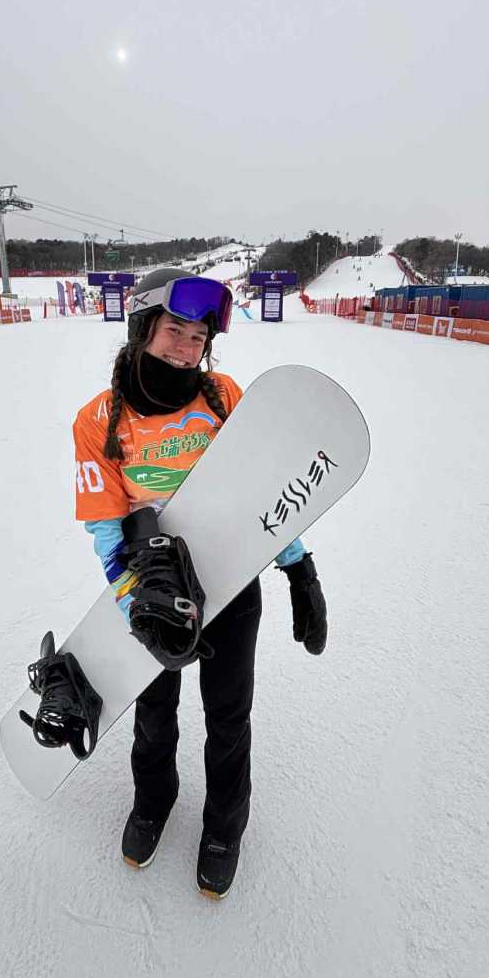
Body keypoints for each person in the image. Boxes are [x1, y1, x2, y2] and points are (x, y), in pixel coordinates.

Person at [72, 267, 328, 900]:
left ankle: (223, 829)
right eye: (175, 330)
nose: (187, 347)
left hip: (232, 582)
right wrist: (138, 606)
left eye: (198, 336)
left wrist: (298, 566)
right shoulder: (97, 419)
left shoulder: (223, 397)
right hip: (151, 589)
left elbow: (264, 493)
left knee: (228, 713)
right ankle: (153, 803)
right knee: (155, 711)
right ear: (142, 329)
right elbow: (107, 528)